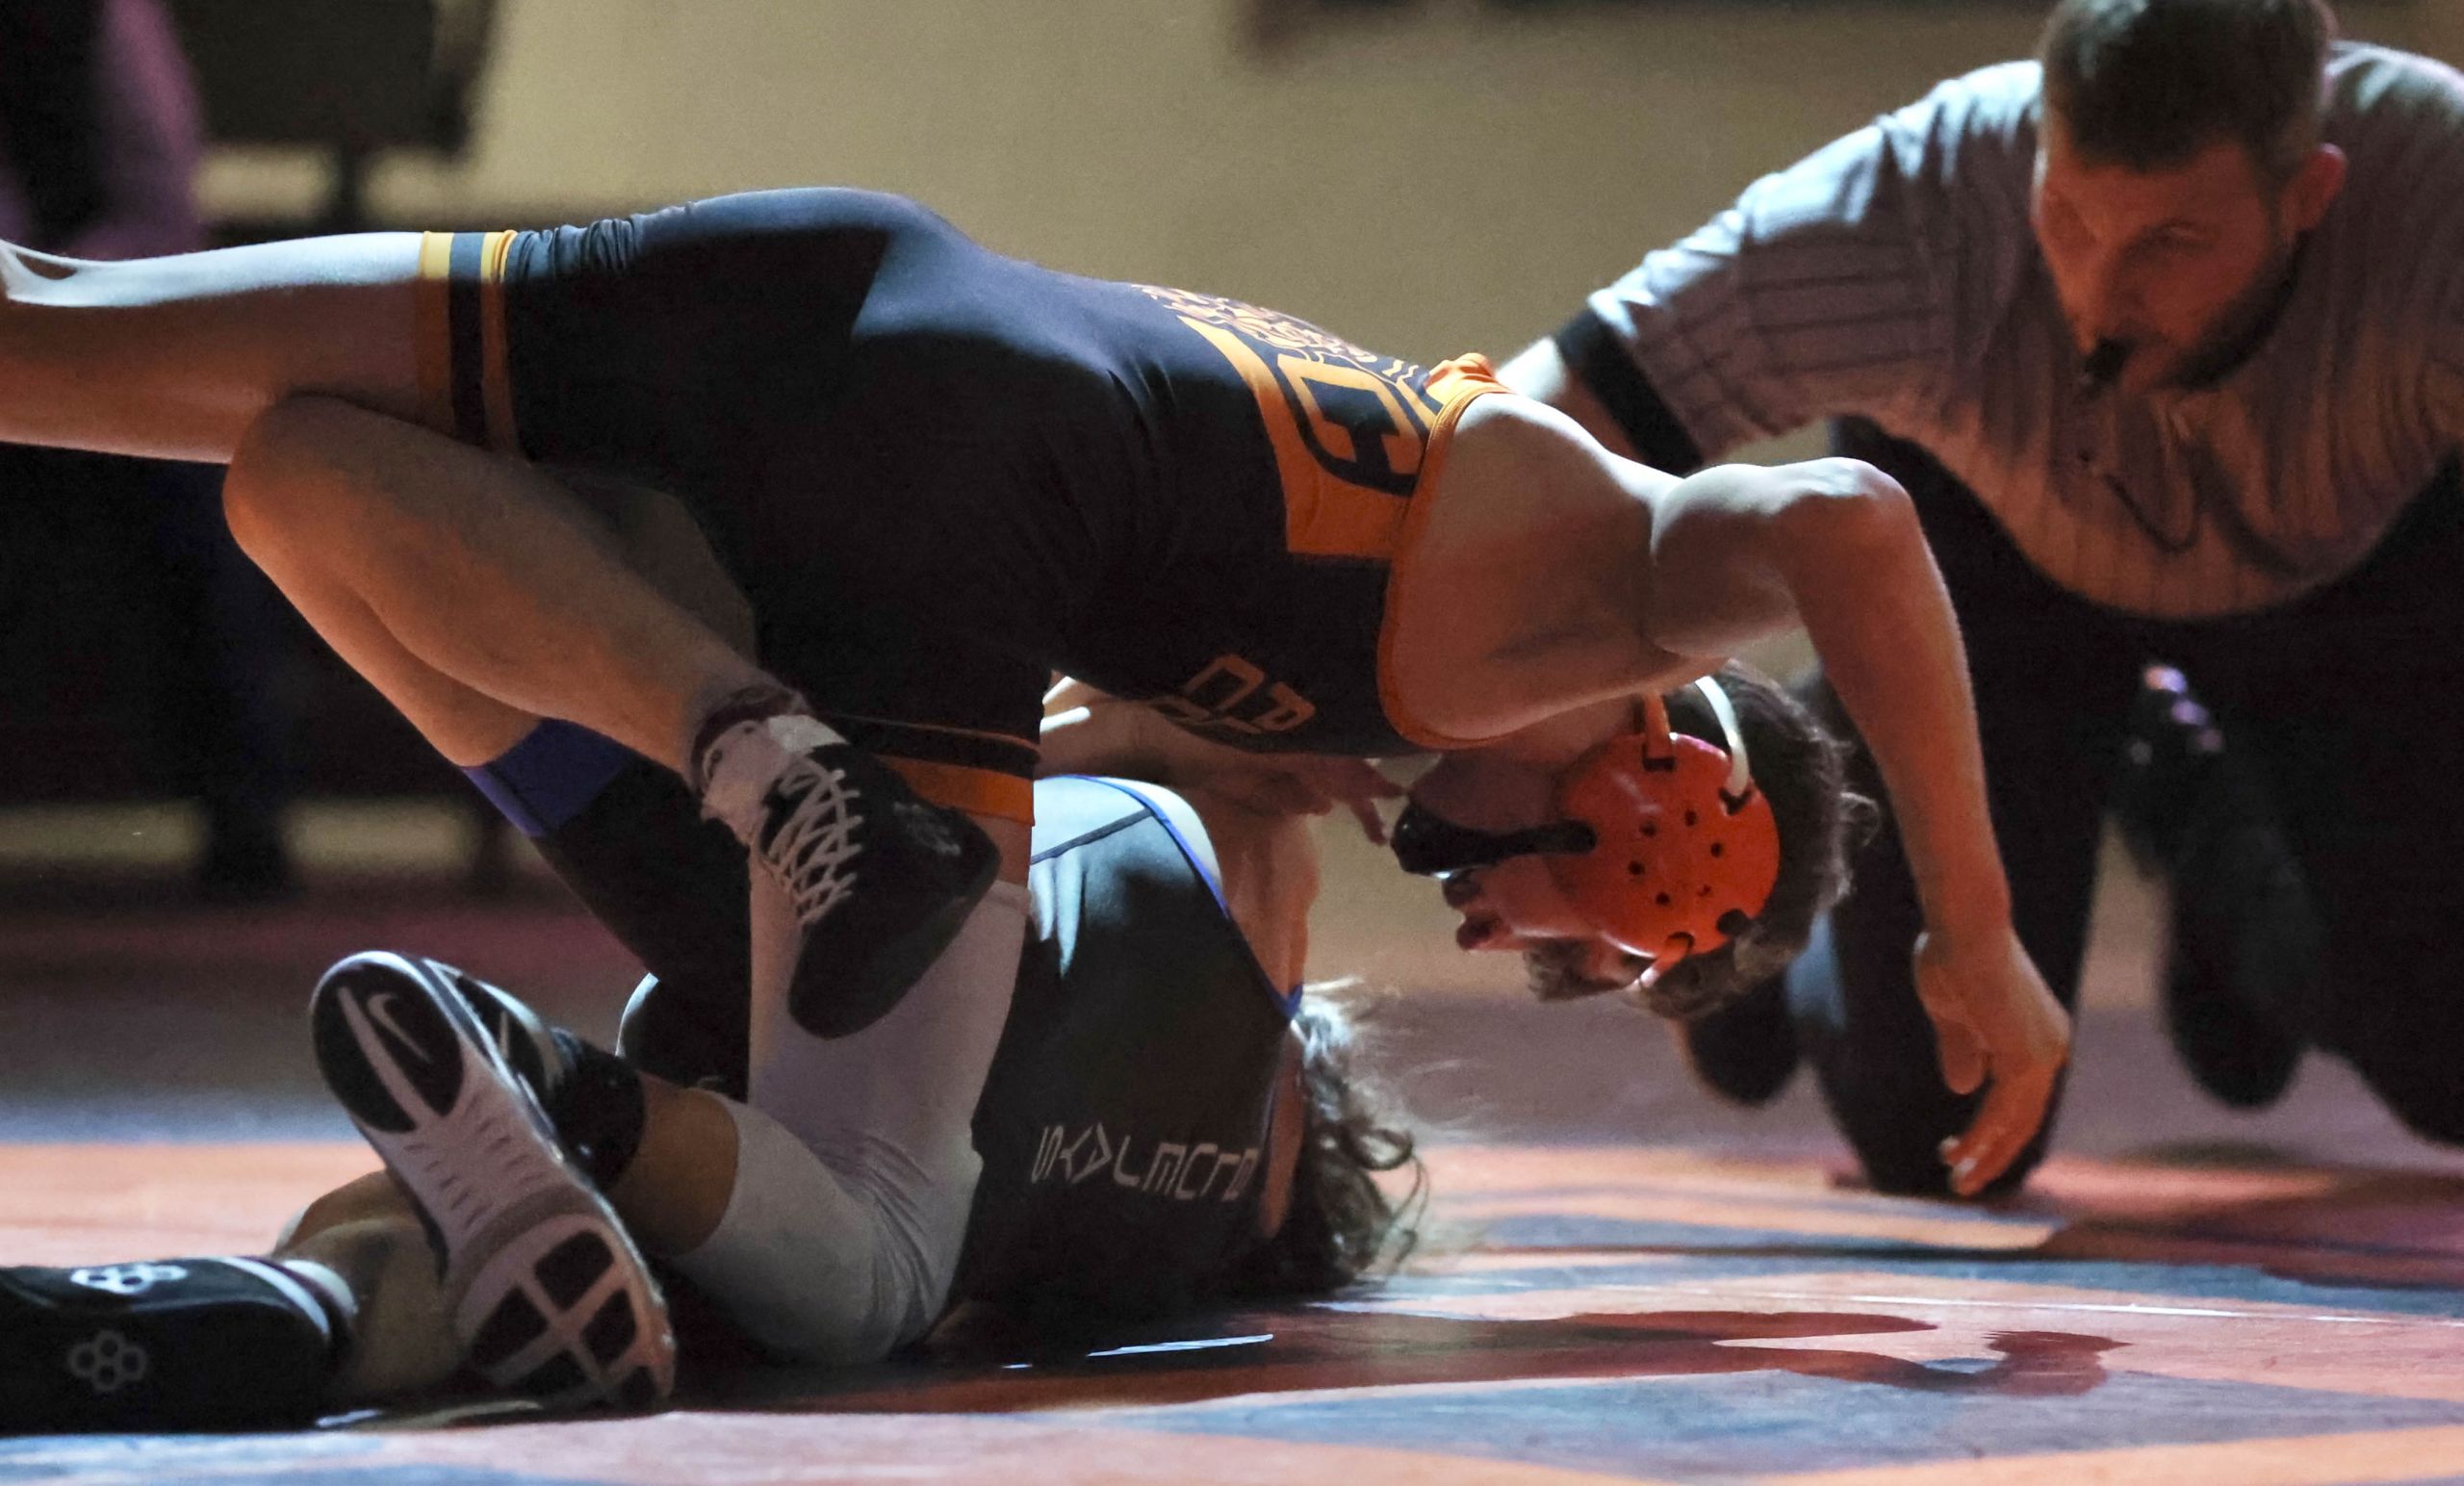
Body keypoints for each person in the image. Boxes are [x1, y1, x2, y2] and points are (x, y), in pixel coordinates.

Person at [0, 184, 2063, 1385]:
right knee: (878, 1252)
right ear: (1667, 783)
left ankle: (739, 748)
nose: (1490, 924)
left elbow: (1026, 760)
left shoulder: (1393, 626)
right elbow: (1853, 519)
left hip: (830, 286)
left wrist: (1165, 735)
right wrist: (1974, 936)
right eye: (1584, 933)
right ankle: (592, 1047)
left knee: (187, 410)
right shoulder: (1604, 597)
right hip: (973, 507)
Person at [1500, 0, 2461, 1196]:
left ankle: (2192, 804)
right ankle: (1817, 776)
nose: (2100, 291)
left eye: (2172, 240)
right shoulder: (1918, 209)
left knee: (2450, 1065)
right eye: (2069, 215)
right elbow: (1517, 440)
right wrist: (1380, 677)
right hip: (1990, 577)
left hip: (2357, 583)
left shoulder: (2439, 204)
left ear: (2310, 193)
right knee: (1940, 1128)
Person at [0, 728, 1431, 1432]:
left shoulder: (1260, 906)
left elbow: (1083, 742)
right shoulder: (1206, 1237)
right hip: (859, 1218)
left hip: (871, 1006)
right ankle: (314, 1310)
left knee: (564, 1212)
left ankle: (325, 1261)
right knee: (665, 1271)